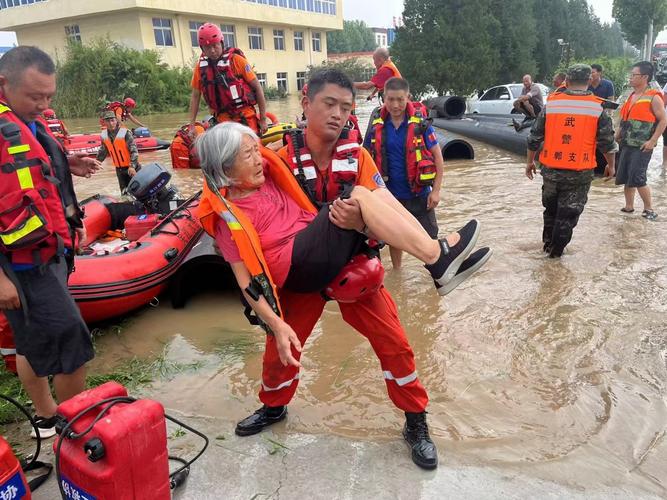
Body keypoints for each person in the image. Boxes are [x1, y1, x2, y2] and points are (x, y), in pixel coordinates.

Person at [199, 69, 488, 470]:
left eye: (347, 108)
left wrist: (360, 223)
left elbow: (390, 211)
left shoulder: (360, 156)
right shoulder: (276, 160)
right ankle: (273, 407)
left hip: (350, 268)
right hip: (299, 269)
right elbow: (234, 211)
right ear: (306, 103)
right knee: (279, 350)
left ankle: (416, 421)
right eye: (329, 104)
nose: (338, 115)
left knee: (396, 345)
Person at [0, 46, 100, 438]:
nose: (42, 105)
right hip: (22, 265)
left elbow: (30, 167)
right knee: (72, 342)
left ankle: (45, 417)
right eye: (34, 96)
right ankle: (76, 428)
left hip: (46, 252)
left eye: (49, 97)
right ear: (3, 84)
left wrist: (67, 163)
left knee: (31, 342)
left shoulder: (26, 121)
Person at [364, 76, 492, 284]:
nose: (395, 105)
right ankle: (398, 273)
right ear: (383, 99)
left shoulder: (420, 125)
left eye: (400, 99)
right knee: (395, 237)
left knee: (430, 236)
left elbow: (438, 157)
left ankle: (436, 273)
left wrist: (436, 190)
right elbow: (366, 159)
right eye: (390, 99)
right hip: (391, 196)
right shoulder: (377, 125)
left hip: (419, 194)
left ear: (408, 98)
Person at [526, 64, 616, 257]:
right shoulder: (597, 108)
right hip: (579, 173)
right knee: (567, 216)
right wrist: (611, 165)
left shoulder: (552, 105)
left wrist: (529, 162)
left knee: (550, 211)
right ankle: (556, 256)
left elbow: (534, 138)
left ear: (566, 81)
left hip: (550, 170)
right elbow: (607, 143)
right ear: (590, 81)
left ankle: (547, 247)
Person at [188, 23, 268, 136]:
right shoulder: (200, 68)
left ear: (221, 43)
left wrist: (263, 119)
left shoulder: (237, 61)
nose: (212, 51)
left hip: (244, 116)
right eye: (207, 47)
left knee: (251, 149)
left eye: (215, 45)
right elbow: (195, 96)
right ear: (202, 49)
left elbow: (257, 88)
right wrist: (191, 125)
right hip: (222, 120)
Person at [615, 61, 666, 221]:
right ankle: (629, 206)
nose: (630, 78)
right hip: (626, 143)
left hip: (642, 145)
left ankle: (649, 209)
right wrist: (618, 133)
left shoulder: (653, 97)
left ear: (644, 77)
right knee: (625, 175)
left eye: (633, 75)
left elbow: (663, 120)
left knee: (638, 177)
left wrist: (652, 140)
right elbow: (624, 118)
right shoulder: (631, 96)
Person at [96, 109, 140, 193]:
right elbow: (103, 151)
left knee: (138, 192)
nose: (111, 123)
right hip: (119, 170)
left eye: (112, 120)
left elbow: (134, 151)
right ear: (104, 122)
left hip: (132, 168)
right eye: (108, 121)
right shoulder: (104, 135)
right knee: (124, 194)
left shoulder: (125, 133)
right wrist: (96, 163)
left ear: (116, 120)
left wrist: (132, 166)